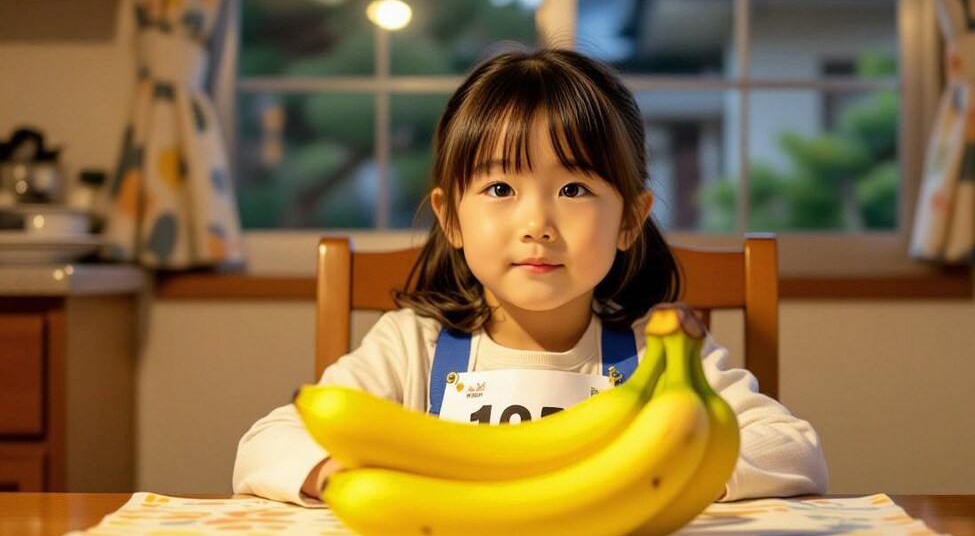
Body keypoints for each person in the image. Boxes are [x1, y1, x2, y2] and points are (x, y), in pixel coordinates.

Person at [233, 46, 828, 505]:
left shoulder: (659, 353)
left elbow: (793, 450)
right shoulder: (411, 346)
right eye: (500, 188)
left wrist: (656, 474)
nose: (537, 224)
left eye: (573, 189)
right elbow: (268, 443)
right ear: (451, 218)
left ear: (629, 220)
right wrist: (344, 474)